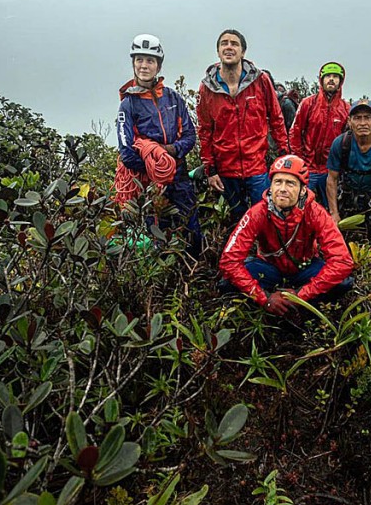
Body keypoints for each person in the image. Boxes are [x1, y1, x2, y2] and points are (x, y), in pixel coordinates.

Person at [219, 155, 354, 315]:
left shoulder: (316, 213)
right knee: (227, 283)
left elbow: (342, 262)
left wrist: (301, 295)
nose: (282, 189)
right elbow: (229, 261)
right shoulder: (257, 213)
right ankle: (269, 307)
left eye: (290, 183)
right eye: (278, 182)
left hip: (305, 268)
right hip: (268, 268)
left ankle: (305, 312)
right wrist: (264, 298)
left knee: (343, 283)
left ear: (303, 190)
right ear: (270, 186)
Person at [115, 33, 202, 255]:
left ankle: (195, 270)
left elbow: (189, 136)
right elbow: (127, 153)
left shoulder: (173, 98)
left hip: (178, 176)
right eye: (139, 60)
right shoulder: (128, 105)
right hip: (147, 183)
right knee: (155, 238)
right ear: (133, 63)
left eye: (150, 60)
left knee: (192, 230)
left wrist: (168, 152)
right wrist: (155, 166)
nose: (144, 66)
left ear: (158, 66)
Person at [197, 29, 289, 224]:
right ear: (218, 51)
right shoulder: (207, 88)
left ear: (243, 52)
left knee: (265, 218)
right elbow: (205, 130)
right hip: (225, 169)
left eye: (234, 44)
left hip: (256, 167)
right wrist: (210, 170)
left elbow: (276, 118)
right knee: (235, 222)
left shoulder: (260, 80)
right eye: (224, 43)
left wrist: (283, 155)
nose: (229, 47)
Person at [326, 99, 371, 244]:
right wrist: (334, 212)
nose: (362, 123)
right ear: (349, 121)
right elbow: (332, 179)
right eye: (357, 118)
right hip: (348, 198)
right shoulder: (341, 144)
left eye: (368, 117)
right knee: (342, 239)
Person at [289, 62, 350, 208]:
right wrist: (299, 160)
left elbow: (348, 141)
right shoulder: (308, 103)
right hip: (307, 167)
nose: (331, 79)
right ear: (321, 80)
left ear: (341, 81)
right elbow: (295, 132)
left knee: (330, 208)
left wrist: (340, 165)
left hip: (331, 169)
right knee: (300, 206)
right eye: (328, 76)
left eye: (335, 76)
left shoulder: (346, 109)